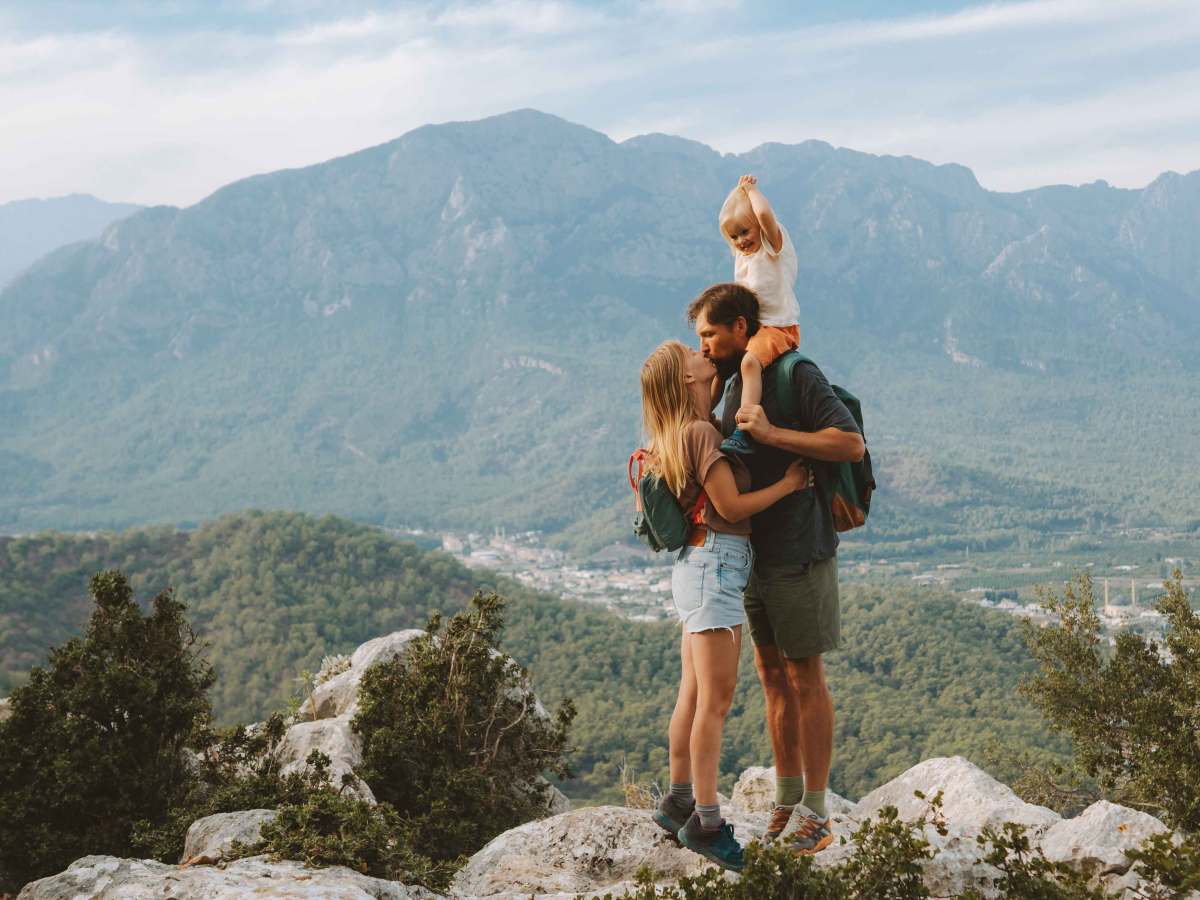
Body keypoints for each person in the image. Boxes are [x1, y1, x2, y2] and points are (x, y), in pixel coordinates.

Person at [687, 283, 864, 856]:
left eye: (711, 334)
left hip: (799, 550)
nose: (705, 345)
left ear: (741, 326)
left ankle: (816, 808)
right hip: (753, 555)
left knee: (805, 677)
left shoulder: (795, 373)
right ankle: (787, 799)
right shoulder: (737, 378)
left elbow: (849, 444)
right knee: (770, 676)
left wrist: (772, 435)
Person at [640, 340, 811, 872]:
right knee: (715, 701)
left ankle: (678, 799)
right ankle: (707, 823)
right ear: (685, 380)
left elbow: (730, 418)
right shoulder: (698, 434)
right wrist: (787, 484)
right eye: (692, 355)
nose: (701, 353)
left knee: (692, 693)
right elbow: (730, 505)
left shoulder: (682, 432)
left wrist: (746, 371)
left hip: (696, 570)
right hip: (715, 566)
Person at [716, 174, 800, 459]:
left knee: (750, 362)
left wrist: (750, 190)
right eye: (734, 236)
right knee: (718, 362)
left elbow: (764, 214)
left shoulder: (772, 246)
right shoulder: (744, 258)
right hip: (754, 328)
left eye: (745, 231)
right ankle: (702, 414)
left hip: (778, 327)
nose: (741, 240)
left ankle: (744, 430)